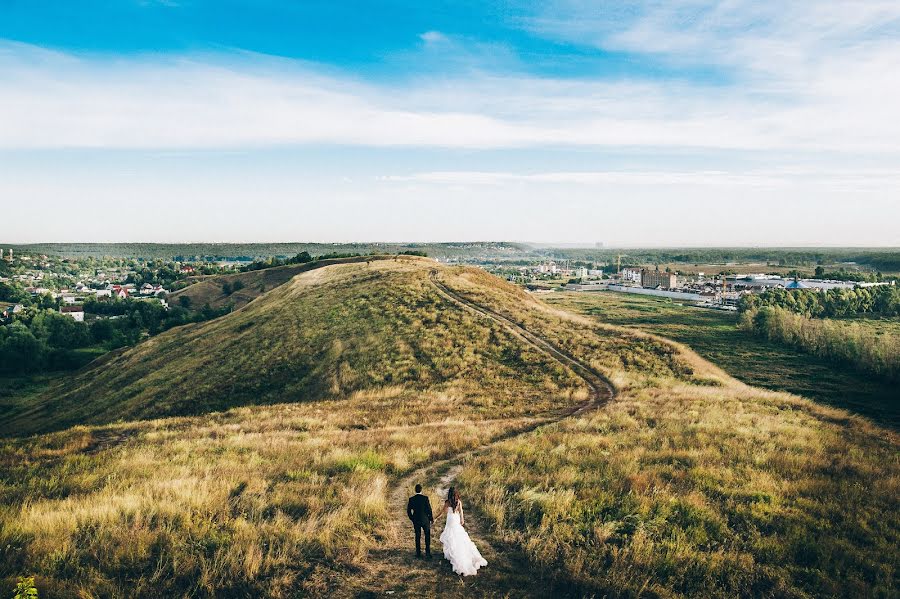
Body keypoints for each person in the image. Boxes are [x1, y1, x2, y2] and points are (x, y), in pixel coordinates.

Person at [437, 486, 487, 576]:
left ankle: (454, 555)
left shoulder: (447, 502)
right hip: (455, 520)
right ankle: (461, 554)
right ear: (456, 494)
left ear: (449, 494)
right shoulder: (459, 502)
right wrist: (462, 519)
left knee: (450, 538)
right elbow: (461, 511)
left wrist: (436, 517)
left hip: (450, 521)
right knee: (459, 537)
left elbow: (442, 512)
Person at [407, 483, 434, 559]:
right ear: (421, 490)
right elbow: (429, 509)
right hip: (425, 520)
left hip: (416, 520)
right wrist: (431, 518)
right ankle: (428, 553)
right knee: (427, 536)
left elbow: (408, 511)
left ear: (415, 490)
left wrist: (412, 518)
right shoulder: (425, 498)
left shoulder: (411, 499)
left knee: (417, 536)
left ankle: (418, 553)